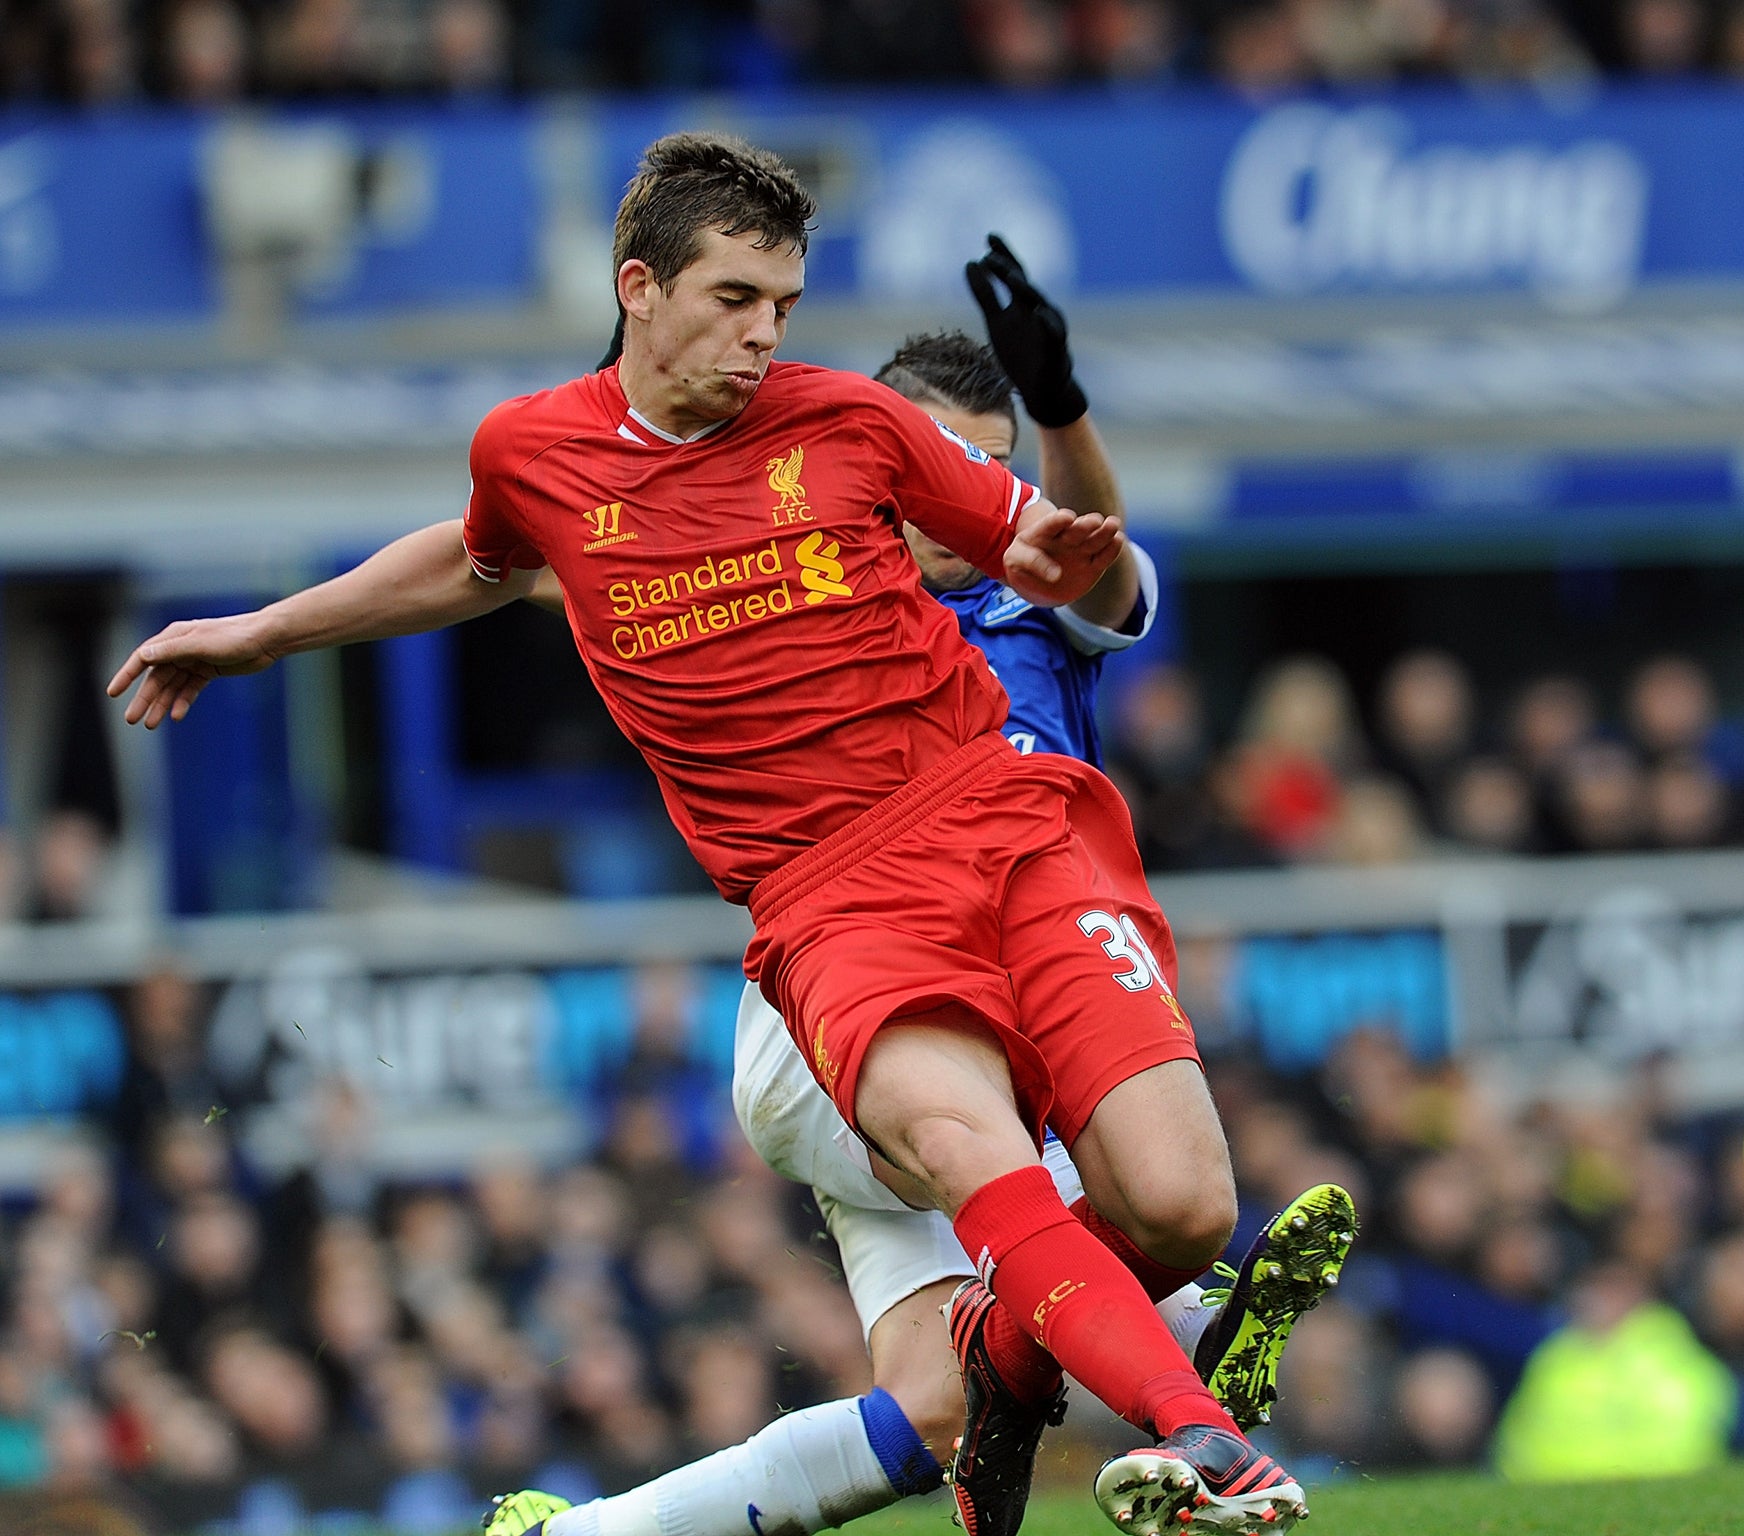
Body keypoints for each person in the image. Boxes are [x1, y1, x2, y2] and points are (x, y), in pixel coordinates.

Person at [108, 134, 1313, 1536]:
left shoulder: (852, 429)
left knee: (1173, 1214)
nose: (764, 336)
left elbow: (1068, 553)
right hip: (830, 908)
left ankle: (991, 1361)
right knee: (979, 1153)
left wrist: (1056, 534)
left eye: (785, 307)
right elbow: (474, 558)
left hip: (1007, 827)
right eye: (736, 298)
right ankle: (1209, 1439)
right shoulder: (537, 454)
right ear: (639, 286)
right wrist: (262, 631)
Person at [506, 306, 1354, 1536]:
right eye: (934, 461)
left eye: (988, 468)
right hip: (833, 1012)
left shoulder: (1033, 605)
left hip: (989, 990)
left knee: (930, 1410)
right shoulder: (786, 591)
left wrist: (1061, 406)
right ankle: (1189, 1343)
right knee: (1086, 1192)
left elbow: (1101, 563)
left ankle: (574, 1535)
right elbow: (564, 557)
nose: (965, 493)